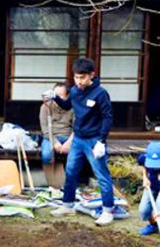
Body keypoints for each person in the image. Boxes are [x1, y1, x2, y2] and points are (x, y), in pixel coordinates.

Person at [48, 58, 116, 226]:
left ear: (92, 75)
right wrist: (55, 98)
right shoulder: (75, 90)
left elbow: (108, 117)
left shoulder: (100, 93)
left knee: (101, 175)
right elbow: (66, 105)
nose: (79, 81)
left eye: (83, 77)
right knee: (71, 172)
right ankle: (68, 205)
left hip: (94, 139)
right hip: (78, 138)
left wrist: (102, 141)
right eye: (76, 77)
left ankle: (108, 211)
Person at [39, 83, 73, 164]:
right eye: (55, 94)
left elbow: (77, 129)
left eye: (61, 95)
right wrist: (55, 142)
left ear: (67, 96)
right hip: (50, 137)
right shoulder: (45, 107)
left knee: (75, 157)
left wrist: (68, 143)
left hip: (68, 137)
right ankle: (50, 175)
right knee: (47, 156)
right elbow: (45, 129)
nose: (56, 98)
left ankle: (70, 174)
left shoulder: (72, 108)